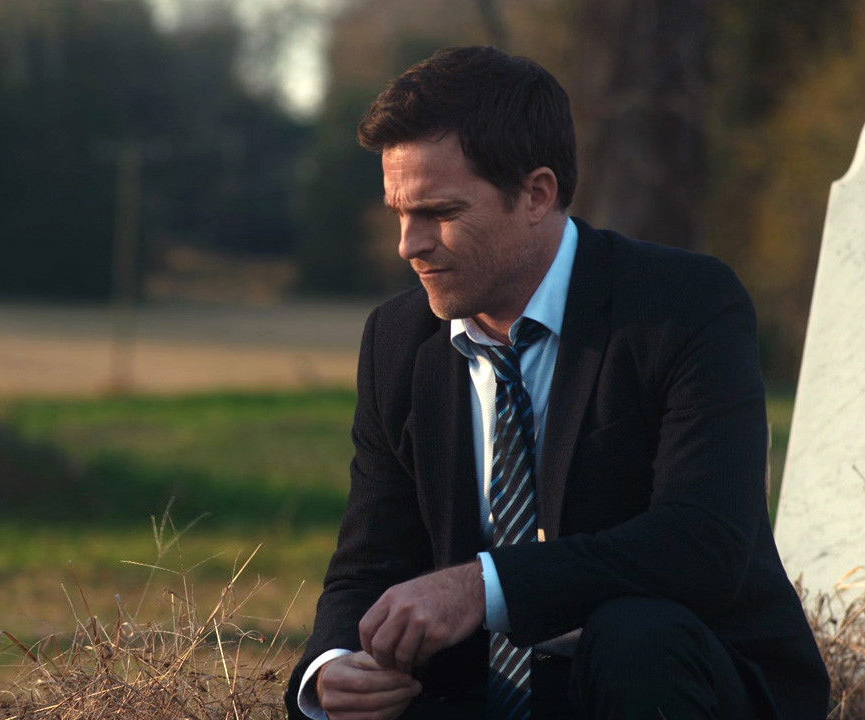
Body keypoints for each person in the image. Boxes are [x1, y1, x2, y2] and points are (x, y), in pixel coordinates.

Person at [285, 46, 829, 720]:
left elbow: (702, 542)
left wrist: (484, 587)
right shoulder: (398, 341)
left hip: (669, 681)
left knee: (637, 637)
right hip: (479, 695)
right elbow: (370, 562)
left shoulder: (683, 305)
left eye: (439, 212)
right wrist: (333, 666)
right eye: (400, 212)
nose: (409, 244)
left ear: (537, 194)